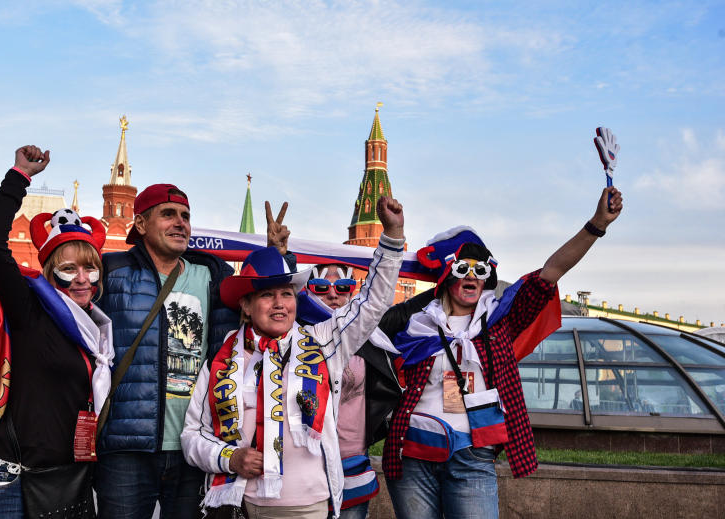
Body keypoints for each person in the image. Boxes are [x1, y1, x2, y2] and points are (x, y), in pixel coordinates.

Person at [383, 185, 623, 519]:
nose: (472, 277)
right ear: (446, 275)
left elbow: (550, 273)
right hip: (414, 453)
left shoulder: (499, 321)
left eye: (480, 270)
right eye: (463, 269)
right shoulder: (414, 323)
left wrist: (597, 225)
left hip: (473, 454)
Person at [181, 196, 405, 519]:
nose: (279, 304)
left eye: (286, 293)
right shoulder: (224, 358)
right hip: (239, 505)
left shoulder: (324, 343)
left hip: (308, 508)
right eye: (267, 294)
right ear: (246, 304)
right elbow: (192, 435)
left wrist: (393, 236)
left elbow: (372, 302)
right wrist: (228, 458)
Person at [0, 145, 114, 518]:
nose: (82, 279)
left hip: (64, 478)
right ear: (50, 272)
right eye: (69, 269)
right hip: (10, 479)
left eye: (90, 269)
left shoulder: (97, 330)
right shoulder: (30, 309)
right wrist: (19, 175)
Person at [94, 183, 239, 518]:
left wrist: (280, 256)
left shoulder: (213, 276)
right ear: (141, 224)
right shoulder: (111, 272)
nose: (180, 223)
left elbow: (270, 305)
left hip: (193, 446)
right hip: (127, 448)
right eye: (168, 214)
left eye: (186, 216)